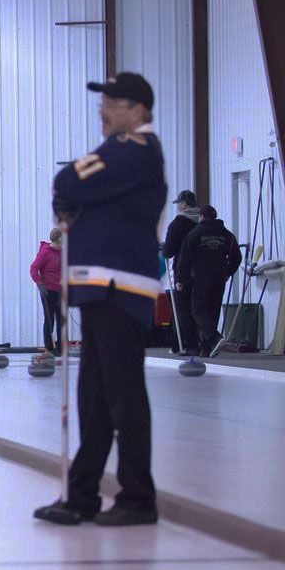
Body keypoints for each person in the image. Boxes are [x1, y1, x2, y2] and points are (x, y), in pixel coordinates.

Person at [35, 72, 166, 527]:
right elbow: (71, 186)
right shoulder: (124, 154)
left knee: (123, 395)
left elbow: (69, 178)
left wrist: (70, 196)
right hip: (102, 288)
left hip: (119, 287)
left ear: (138, 110)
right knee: (94, 396)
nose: (103, 108)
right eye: (102, 101)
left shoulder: (134, 150)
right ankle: (81, 494)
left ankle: (138, 497)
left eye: (112, 101)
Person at [178, 205, 242, 354]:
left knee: (198, 311)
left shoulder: (195, 234)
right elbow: (237, 257)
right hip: (219, 278)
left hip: (202, 278)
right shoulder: (227, 235)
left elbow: (185, 258)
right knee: (213, 311)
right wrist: (228, 271)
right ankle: (207, 349)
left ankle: (215, 338)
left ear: (201, 217)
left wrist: (181, 279)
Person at [161, 189, 203, 353]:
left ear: (184, 205)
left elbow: (169, 251)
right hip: (201, 272)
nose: (178, 206)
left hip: (181, 272)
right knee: (197, 308)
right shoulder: (202, 222)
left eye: (178, 203)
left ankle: (183, 344)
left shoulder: (177, 224)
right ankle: (199, 343)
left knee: (181, 310)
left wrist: (163, 250)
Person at [30, 229, 64, 355]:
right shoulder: (45, 252)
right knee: (49, 319)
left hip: (61, 291)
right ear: (58, 239)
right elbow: (34, 268)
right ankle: (49, 348)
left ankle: (61, 347)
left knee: (61, 320)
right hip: (47, 291)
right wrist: (39, 284)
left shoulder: (63, 252)